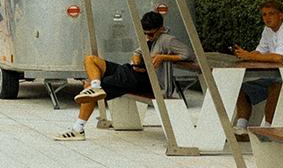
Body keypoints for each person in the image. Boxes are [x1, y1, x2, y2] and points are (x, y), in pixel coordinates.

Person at [54, 10, 192, 141]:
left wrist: (163, 57)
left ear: (161, 29)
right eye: (144, 33)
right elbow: (138, 51)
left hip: (148, 82)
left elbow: (188, 54)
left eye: (150, 34)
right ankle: (96, 86)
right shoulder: (151, 39)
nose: (147, 37)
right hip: (133, 73)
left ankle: (78, 129)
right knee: (90, 59)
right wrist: (136, 57)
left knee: (88, 87)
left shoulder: (167, 40)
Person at [233, 0, 283, 139]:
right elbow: (260, 51)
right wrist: (246, 55)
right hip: (275, 74)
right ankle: (241, 128)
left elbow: (278, 58)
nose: (267, 18)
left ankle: (267, 129)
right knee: (240, 88)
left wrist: (250, 56)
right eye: (264, 15)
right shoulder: (267, 30)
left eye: (271, 14)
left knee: (276, 86)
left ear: (280, 15)